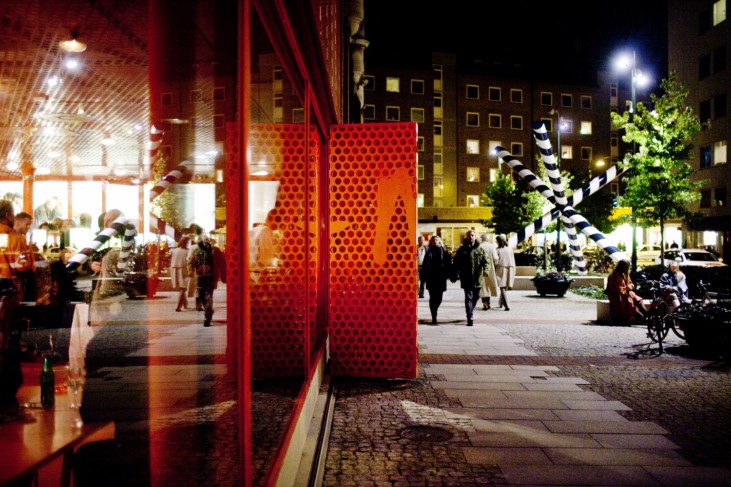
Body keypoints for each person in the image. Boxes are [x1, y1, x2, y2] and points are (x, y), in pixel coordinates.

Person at [450, 229, 487, 326]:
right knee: (468, 297)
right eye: (469, 235)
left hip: (477, 278)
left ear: (475, 236)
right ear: (466, 237)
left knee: (476, 296)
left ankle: (471, 309)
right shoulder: (462, 250)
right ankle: (469, 316)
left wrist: (486, 270)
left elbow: (486, 262)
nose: (471, 237)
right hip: (466, 277)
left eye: (472, 235)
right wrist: (454, 274)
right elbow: (456, 263)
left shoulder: (480, 249)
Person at [189, 234, 225, 327]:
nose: (206, 240)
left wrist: (223, 275)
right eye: (204, 239)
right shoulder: (196, 250)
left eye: (207, 239)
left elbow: (222, 263)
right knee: (201, 296)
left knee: (208, 296)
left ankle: (207, 317)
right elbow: (191, 261)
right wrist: (190, 271)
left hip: (211, 277)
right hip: (199, 277)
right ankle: (209, 310)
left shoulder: (215, 250)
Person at [421, 235, 451, 324]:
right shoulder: (428, 251)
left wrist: (449, 274)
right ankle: (434, 316)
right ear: (431, 241)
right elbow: (425, 264)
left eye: (436, 239)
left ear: (439, 241)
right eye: (433, 240)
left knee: (439, 298)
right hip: (431, 277)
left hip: (440, 277)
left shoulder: (444, 251)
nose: (435, 241)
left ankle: (435, 310)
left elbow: (448, 263)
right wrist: (424, 276)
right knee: (432, 297)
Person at [606, 259, 647, 324]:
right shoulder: (614, 275)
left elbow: (630, 282)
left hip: (627, 293)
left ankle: (648, 316)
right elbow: (614, 288)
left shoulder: (625, 274)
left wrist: (631, 286)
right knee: (631, 306)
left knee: (639, 300)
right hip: (617, 295)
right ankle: (646, 321)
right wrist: (626, 288)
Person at [495, 234, 516, 311]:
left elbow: (495, 261)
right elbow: (513, 260)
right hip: (510, 268)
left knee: (502, 288)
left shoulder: (497, 250)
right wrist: (514, 271)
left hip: (501, 268)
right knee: (505, 287)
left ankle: (507, 305)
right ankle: (501, 303)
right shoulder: (510, 249)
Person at [170, 236, 191, 312]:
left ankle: (185, 304)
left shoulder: (175, 250)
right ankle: (178, 307)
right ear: (186, 243)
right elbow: (189, 261)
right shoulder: (187, 251)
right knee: (183, 288)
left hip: (174, 269)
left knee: (181, 288)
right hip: (183, 269)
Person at [478, 233, 499, 310]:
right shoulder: (492, 246)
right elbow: (495, 258)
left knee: (483, 286)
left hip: (480, 268)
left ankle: (485, 303)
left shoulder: (479, 246)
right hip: (490, 268)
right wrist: (495, 264)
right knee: (489, 285)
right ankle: (488, 302)